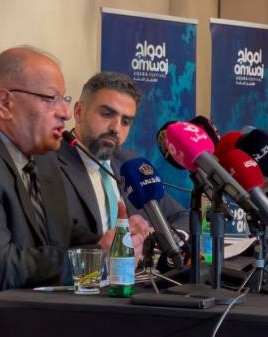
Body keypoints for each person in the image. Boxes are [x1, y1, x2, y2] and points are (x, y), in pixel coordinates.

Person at [0, 47, 149, 337]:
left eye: (64, 99)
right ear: (5, 103)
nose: (64, 112)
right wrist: (96, 258)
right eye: (50, 98)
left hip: (28, 335)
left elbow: (63, 234)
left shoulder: (42, 159)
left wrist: (115, 243)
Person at [57, 71, 189, 241]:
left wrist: (159, 241)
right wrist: (107, 247)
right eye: (106, 114)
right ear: (79, 112)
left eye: (125, 121)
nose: (116, 128)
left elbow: (182, 217)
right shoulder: (49, 163)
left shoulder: (131, 164)